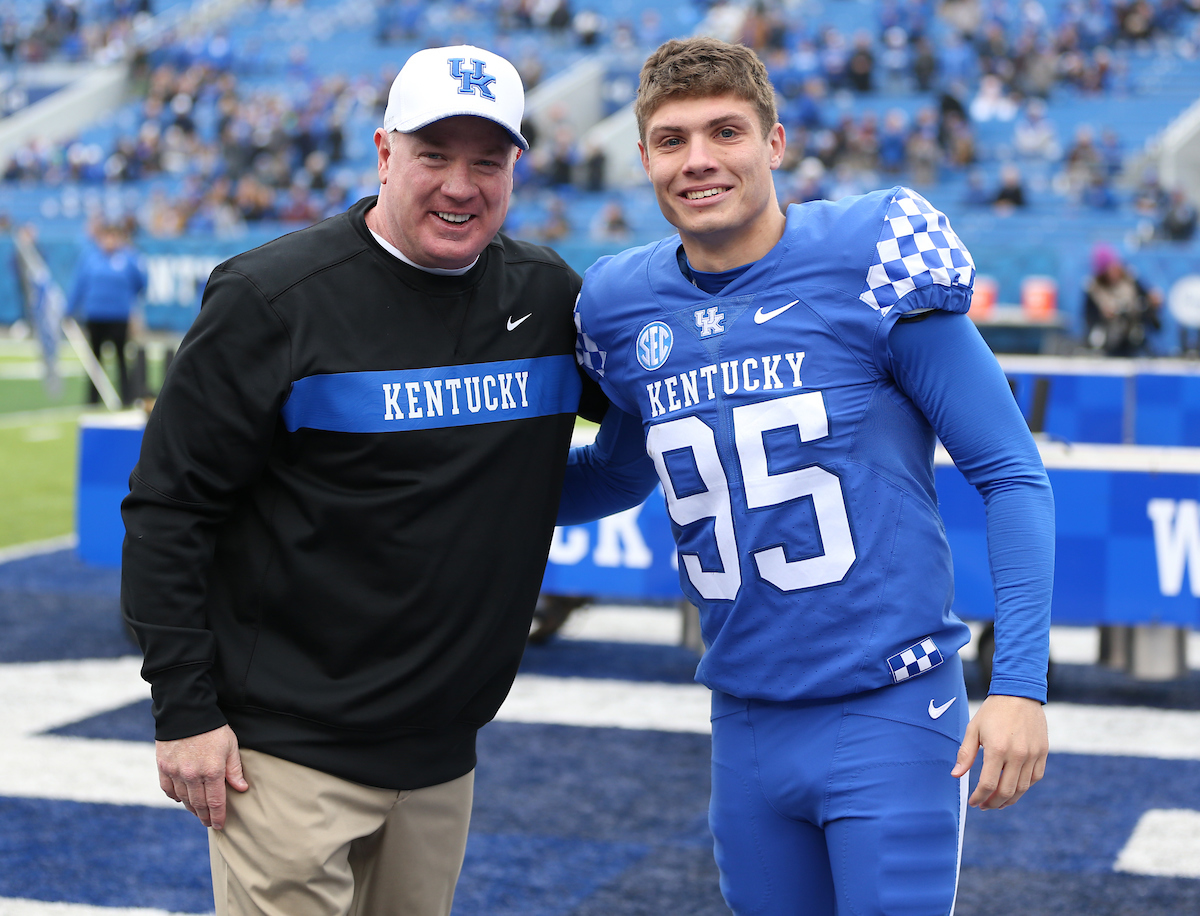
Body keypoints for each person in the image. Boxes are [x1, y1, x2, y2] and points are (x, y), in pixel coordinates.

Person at [121, 44, 652, 916]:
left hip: (445, 756)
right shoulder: (270, 298)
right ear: (383, 153)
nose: (460, 185)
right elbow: (168, 508)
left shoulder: (546, 294)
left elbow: (643, 409)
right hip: (286, 756)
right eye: (434, 155)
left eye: (487, 161)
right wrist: (183, 709)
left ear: (516, 166)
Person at [564, 37, 1053, 916]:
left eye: (726, 131)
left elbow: (1012, 474)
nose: (700, 160)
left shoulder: (871, 259)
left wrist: (1016, 684)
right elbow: (614, 472)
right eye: (672, 140)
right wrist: (458, 491)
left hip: (889, 706)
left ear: (776, 142)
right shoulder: (619, 306)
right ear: (642, 159)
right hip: (742, 717)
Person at [68, 220, 146, 405]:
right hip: (95, 316)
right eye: (106, 237)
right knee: (94, 360)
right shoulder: (90, 258)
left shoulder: (128, 258)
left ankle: (127, 397)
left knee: (121, 358)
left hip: (118, 316)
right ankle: (92, 399)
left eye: (114, 237)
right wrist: (69, 309)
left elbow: (141, 282)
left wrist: (128, 301)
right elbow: (79, 285)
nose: (110, 241)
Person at [1083, 243, 1162, 356]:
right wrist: (1102, 315)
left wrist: (1152, 299)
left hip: (1133, 328)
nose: (1113, 271)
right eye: (1108, 268)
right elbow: (1088, 317)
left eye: (1114, 266)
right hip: (1109, 333)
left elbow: (1146, 296)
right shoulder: (1094, 288)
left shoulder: (1130, 279)